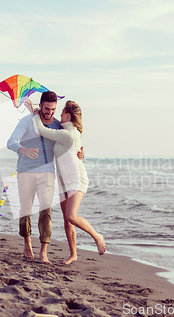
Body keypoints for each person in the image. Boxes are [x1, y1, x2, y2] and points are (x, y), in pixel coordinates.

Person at [7, 91, 83, 264]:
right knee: (26, 210)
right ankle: (27, 243)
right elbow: (11, 141)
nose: (50, 112)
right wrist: (23, 150)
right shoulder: (27, 122)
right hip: (25, 170)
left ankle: (43, 252)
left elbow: (72, 141)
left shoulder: (57, 125)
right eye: (47, 108)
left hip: (47, 171)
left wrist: (80, 154)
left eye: (53, 109)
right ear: (40, 106)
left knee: (45, 210)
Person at [33, 100, 106, 264]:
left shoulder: (67, 134)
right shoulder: (67, 131)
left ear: (68, 115)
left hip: (76, 179)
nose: (59, 115)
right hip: (64, 181)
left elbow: (41, 130)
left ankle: (97, 236)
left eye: (62, 112)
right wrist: (82, 154)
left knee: (71, 216)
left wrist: (37, 114)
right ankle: (73, 254)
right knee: (67, 220)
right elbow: (76, 151)